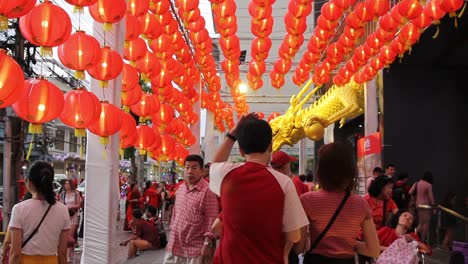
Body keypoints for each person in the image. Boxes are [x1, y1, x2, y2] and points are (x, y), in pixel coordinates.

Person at [209, 113, 309, 263]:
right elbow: (294, 236)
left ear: (241, 151)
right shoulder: (284, 183)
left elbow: (214, 164)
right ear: (271, 146)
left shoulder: (225, 174)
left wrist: (232, 134)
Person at [297, 142, 380, 263]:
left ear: (321, 170)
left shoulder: (307, 200)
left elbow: (299, 247)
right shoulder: (360, 203)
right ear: (350, 171)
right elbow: (373, 250)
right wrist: (348, 243)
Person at [7, 161, 70, 264]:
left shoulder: (19, 209)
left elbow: (15, 253)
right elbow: (62, 252)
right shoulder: (63, 210)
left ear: (28, 181)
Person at [163, 154, 219, 264]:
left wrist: (207, 244)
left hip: (195, 250)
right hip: (174, 247)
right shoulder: (181, 188)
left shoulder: (208, 191)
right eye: (187, 167)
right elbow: (175, 214)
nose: (189, 171)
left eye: (194, 168)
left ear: (202, 171)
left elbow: (211, 220)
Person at [58, 180, 82, 261]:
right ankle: (67, 253)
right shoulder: (62, 194)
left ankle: (68, 255)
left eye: (68, 184)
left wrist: (71, 206)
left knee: (70, 235)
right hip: (65, 215)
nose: (66, 185)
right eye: (65, 184)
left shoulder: (76, 193)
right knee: (65, 235)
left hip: (74, 215)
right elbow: (60, 203)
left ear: (71, 185)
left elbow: (79, 205)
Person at [409, 171, 435, 243]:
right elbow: (430, 197)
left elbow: (410, 192)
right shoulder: (428, 185)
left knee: (420, 222)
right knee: (425, 223)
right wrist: (433, 206)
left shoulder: (417, 183)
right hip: (426, 206)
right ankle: (422, 240)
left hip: (418, 205)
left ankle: (414, 237)